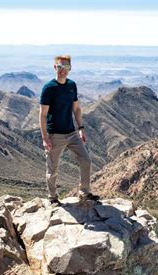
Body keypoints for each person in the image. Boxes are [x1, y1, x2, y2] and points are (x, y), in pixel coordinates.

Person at [39, 55, 100, 206]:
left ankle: (84, 192)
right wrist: (45, 138)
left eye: (66, 67)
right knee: (52, 169)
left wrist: (81, 128)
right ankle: (53, 197)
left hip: (72, 133)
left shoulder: (72, 85)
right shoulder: (48, 88)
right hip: (55, 134)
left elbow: (77, 108)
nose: (63, 71)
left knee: (86, 161)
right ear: (55, 67)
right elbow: (42, 114)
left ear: (70, 69)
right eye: (60, 67)